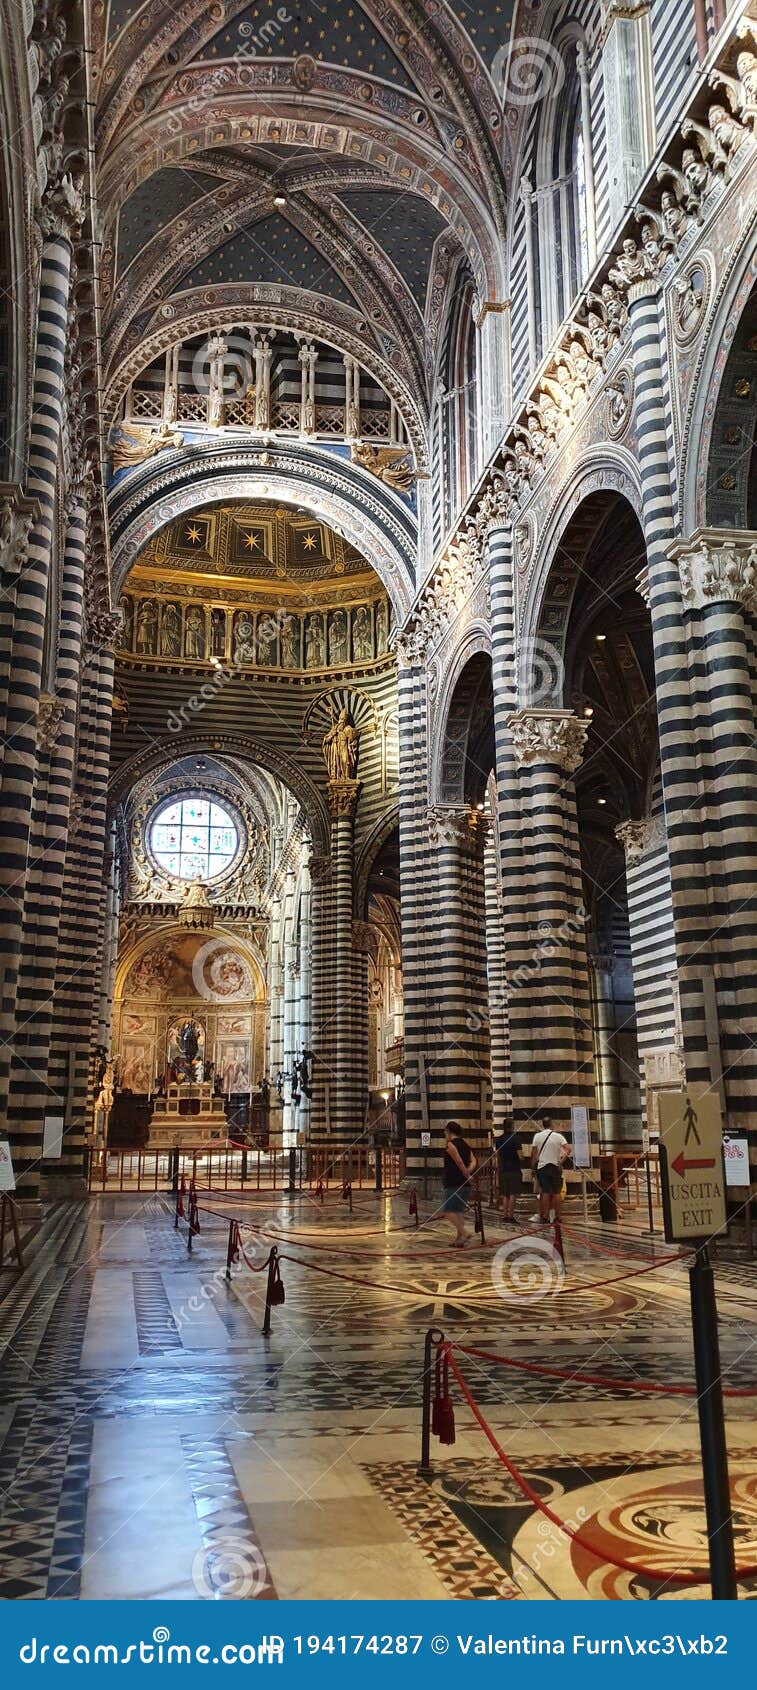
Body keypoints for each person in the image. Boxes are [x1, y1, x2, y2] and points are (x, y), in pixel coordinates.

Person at [441, 1120, 477, 1248]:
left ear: (449, 1131)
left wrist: (466, 1174)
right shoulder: (466, 1145)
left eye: (445, 1131)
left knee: (448, 1211)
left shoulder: (451, 1145)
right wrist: (468, 1172)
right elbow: (473, 1161)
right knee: (458, 1211)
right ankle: (459, 1239)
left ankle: (464, 1233)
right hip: (464, 1183)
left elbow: (459, 1162)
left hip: (453, 1181)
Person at [530, 1116, 569, 1223]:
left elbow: (533, 1154)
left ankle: (545, 1216)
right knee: (556, 1192)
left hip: (542, 1167)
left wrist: (533, 1167)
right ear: (551, 1124)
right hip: (555, 1167)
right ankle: (558, 1216)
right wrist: (561, 1161)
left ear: (543, 1124)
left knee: (545, 1192)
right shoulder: (558, 1136)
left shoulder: (537, 1136)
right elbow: (568, 1149)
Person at [495, 1124, 522, 1221]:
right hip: (514, 1169)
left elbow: (498, 1156)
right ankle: (511, 1216)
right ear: (512, 1127)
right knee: (512, 1193)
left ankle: (504, 1215)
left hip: (503, 1169)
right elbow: (520, 1155)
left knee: (505, 1194)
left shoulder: (499, 1140)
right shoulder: (516, 1139)